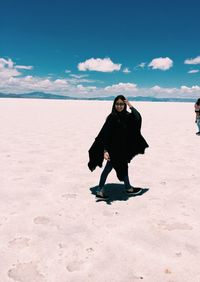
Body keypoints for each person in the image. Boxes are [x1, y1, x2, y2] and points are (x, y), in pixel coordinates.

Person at [88, 95, 149, 199]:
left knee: (123, 167)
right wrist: (105, 151)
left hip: (122, 149)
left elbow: (138, 117)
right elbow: (105, 135)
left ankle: (127, 188)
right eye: (117, 104)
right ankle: (101, 189)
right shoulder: (111, 117)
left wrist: (130, 105)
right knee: (108, 169)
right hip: (113, 150)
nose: (119, 106)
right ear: (114, 105)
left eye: (121, 104)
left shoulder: (127, 116)